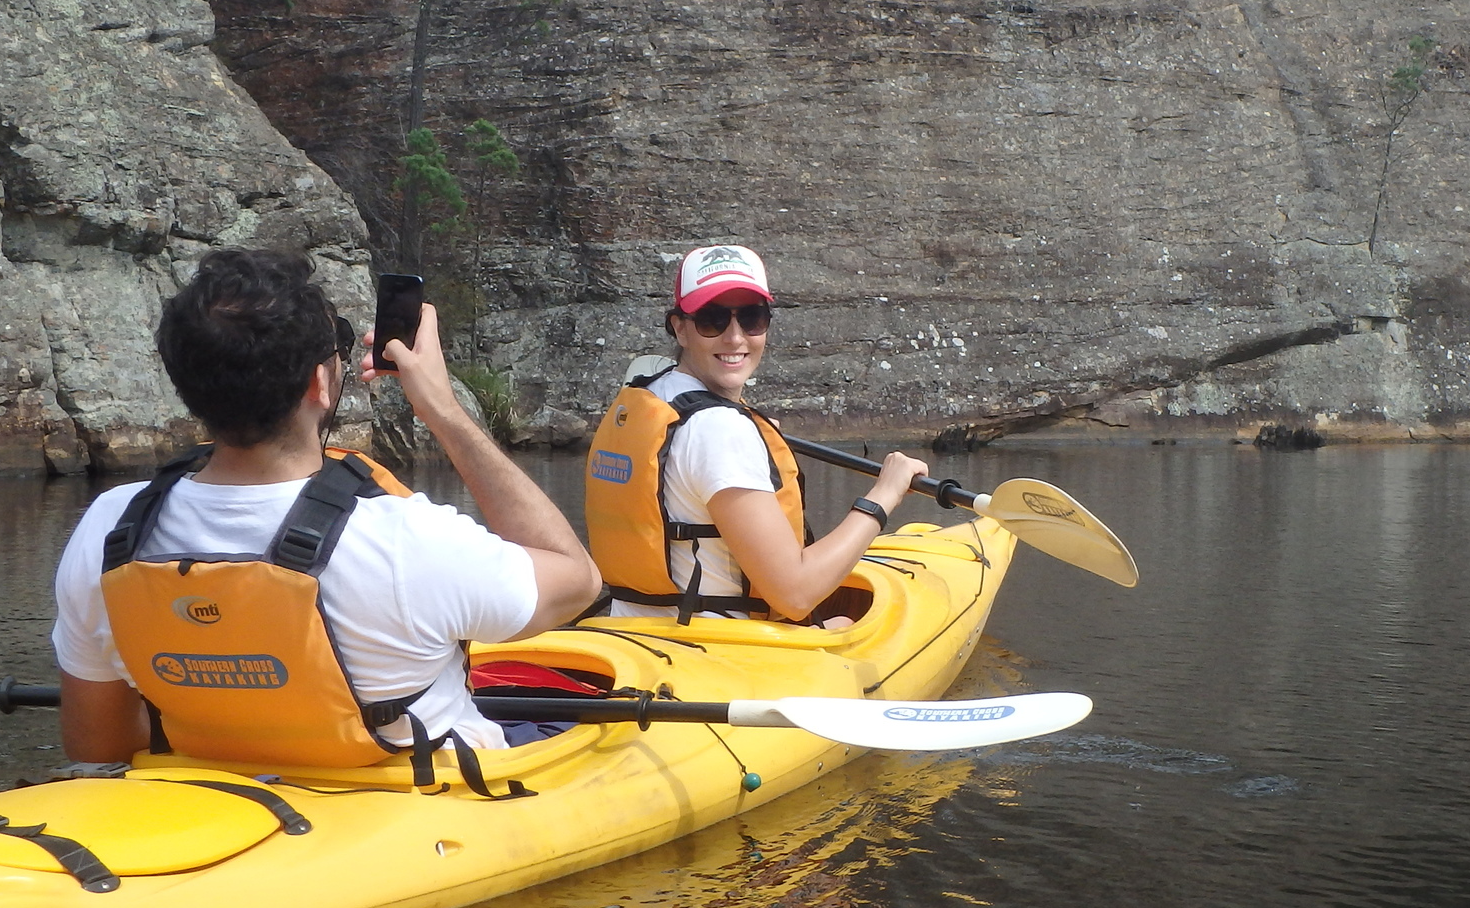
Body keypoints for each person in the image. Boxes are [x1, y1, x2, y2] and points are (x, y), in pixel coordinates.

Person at [52, 248, 601, 771]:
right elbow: (578, 581)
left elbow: (100, 745)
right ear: (320, 382)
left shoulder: (111, 525)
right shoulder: (406, 537)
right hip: (414, 803)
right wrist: (443, 410)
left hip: (223, 798)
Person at [584, 244, 930, 624]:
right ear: (680, 328)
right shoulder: (720, 430)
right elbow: (795, 595)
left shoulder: (649, 393)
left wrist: (752, 441)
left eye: (751, 318)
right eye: (711, 320)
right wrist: (886, 493)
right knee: (845, 621)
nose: (734, 338)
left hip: (632, 630)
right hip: (713, 650)